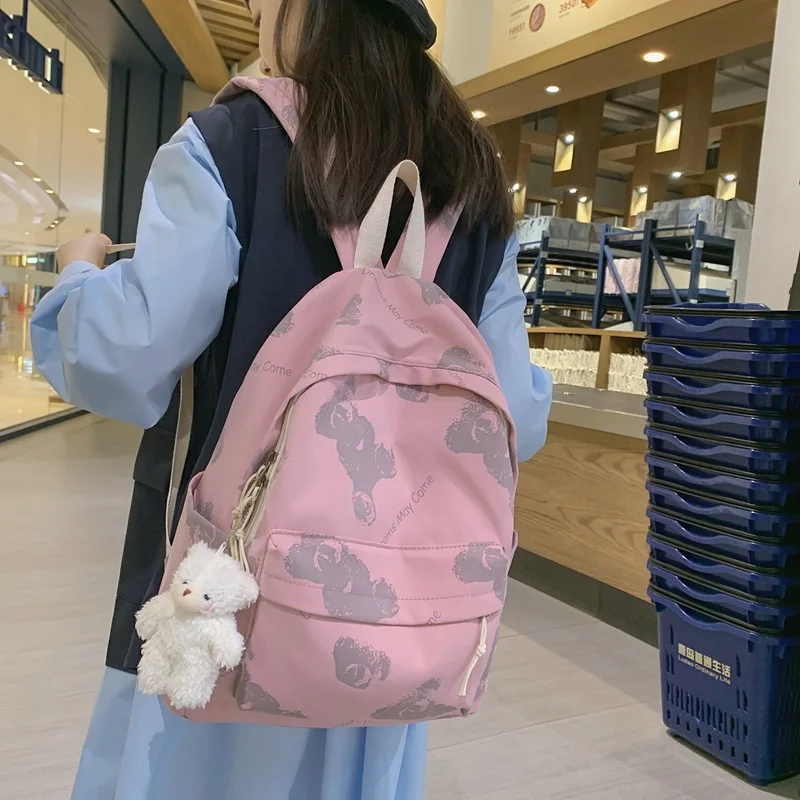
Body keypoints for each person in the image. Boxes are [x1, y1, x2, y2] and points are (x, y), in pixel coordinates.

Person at [31, 1, 553, 797]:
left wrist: (77, 275)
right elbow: (517, 413)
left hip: (222, 597)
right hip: (391, 620)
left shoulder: (230, 144)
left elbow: (125, 355)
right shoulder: (472, 179)